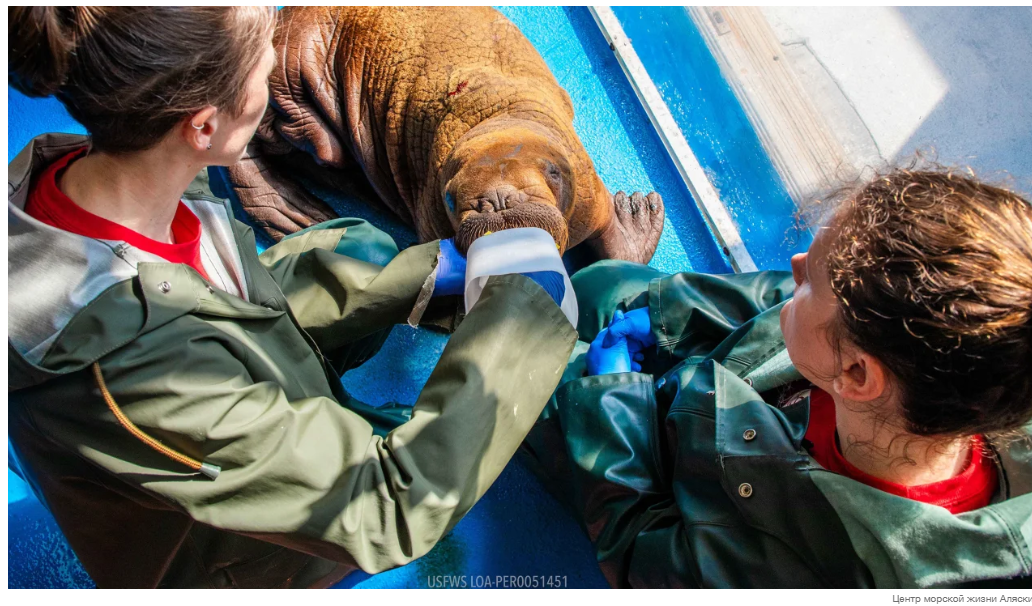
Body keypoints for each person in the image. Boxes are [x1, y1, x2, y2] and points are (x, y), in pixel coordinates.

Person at [8, 7, 576, 588]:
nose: (276, 59)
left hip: (204, 384)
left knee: (362, 251)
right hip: (232, 557)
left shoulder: (108, 174)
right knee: (422, 474)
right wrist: (526, 315)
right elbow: (383, 511)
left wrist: (428, 275)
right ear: (204, 125)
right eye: (262, 54)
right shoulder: (129, 374)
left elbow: (213, 299)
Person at [521, 167, 1032, 588]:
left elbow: (641, 548)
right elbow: (775, 302)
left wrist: (612, 404)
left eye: (815, 277)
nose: (797, 264)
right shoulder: (970, 370)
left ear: (854, 373)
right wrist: (667, 314)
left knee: (528, 367)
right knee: (606, 286)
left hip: (653, 473)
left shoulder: (791, 572)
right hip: (701, 401)